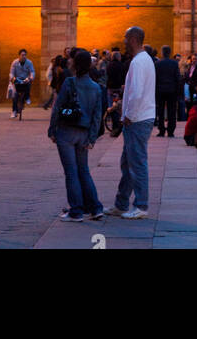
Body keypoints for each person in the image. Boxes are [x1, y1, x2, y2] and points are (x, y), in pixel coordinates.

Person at [48, 48, 105, 221]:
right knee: (84, 171)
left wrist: (52, 129)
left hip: (66, 132)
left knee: (71, 173)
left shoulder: (69, 83)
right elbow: (97, 115)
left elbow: (58, 107)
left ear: (76, 64)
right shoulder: (96, 88)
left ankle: (76, 211)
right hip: (84, 134)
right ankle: (95, 208)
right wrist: (92, 138)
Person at [107, 25, 156, 220]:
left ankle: (141, 205)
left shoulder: (138, 62)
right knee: (127, 163)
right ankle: (121, 204)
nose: (124, 41)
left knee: (136, 163)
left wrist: (129, 115)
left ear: (134, 39)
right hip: (140, 117)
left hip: (138, 119)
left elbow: (136, 92)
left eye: (126, 38)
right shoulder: (143, 60)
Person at [155, 45, 182, 138]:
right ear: (170, 53)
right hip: (172, 90)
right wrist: (178, 91)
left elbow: (155, 78)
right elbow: (178, 78)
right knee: (172, 111)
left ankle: (161, 130)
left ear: (162, 52)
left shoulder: (157, 63)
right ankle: (171, 131)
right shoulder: (174, 63)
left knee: (160, 111)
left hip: (160, 90)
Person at [9, 49, 35, 120]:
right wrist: (12, 78)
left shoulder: (29, 62)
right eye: (22, 55)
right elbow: (11, 72)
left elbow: (32, 71)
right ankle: (14, 111)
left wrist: (31, 77)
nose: (24, 56)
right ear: (19, 56)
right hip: (17, 79)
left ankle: (27, 97)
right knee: (15, 95)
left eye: (25, 55)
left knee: (28, 84)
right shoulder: (15, 62)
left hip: (25, 79)